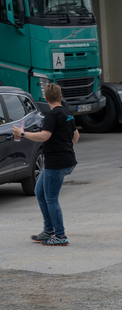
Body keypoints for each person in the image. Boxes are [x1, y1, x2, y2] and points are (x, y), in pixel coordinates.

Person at [13, 83, 79, 246]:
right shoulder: (67, 113)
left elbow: (44, 136)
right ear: (60, 97)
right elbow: (76, 135)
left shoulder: (52, 115)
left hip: (56, 163)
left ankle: (60, 235)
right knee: (39, 191)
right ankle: (49, 230)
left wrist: (22, 133)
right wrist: (66, 148)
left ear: (46, 98)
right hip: (64, 160)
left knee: (51, 198)